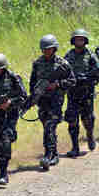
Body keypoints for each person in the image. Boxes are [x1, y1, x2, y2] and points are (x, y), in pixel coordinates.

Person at [29, 34, 76, 170]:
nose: (47, 52)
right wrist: (34, 96)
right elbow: (32, 83)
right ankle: (54, 153)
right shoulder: (37, 63)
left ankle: (48, 155)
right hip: (43, 101)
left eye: (49, 49)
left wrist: (57, 85)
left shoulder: (63, 64)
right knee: (47, 126)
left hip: (56, 100)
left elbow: (72, 81)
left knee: (50, 125)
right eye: (44, 49)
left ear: (54, 49)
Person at [0, 53, 27, 185]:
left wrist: (10, 102)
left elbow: (23, 97)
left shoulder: (13, 78)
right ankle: (2, 167)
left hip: (10, 114)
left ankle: (3, 173)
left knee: (5, 139)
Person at [64, 29, 99, 157]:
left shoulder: (91, 56)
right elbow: (62, 72)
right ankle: (75, 147)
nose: (78, 41)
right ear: (73, 41)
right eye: (76, 39)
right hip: (73, 93)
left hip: (86, 93)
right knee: (72, 120)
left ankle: (90, 135)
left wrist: (88, 79)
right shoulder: (68, 56)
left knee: (87, 119)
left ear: (85, 41)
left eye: (81, 39)